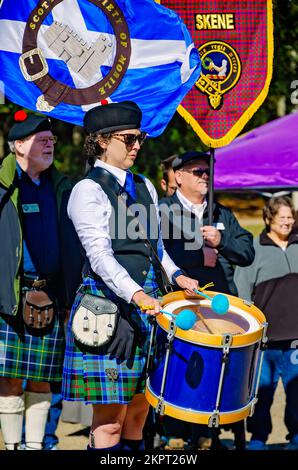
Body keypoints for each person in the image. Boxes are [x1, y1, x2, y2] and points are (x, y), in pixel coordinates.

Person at [61, 101, 199, 451]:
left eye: (141, 138)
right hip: (108, 308)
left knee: (139, 412)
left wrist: (178, 275)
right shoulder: (87, 190)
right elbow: (101, 257)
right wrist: (136, 295)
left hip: (149, 304)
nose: (138, 145)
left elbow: (157, 247)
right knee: (109, 422)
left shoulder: (145, 186)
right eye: (130, 138)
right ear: (103, 141)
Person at [159, 151, 255, 449]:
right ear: (178, 176)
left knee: (217, 375)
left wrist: (221, 241)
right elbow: (156, 253)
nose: (204, 176)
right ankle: (172, 433)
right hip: (179, 307)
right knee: (179, 370)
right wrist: (199, 254)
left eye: (206, 171)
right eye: (196, 171)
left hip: (218, 309)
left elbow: (247, 252)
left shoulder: (220, 213)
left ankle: (209, 435)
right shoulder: (161, 211)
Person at [0, 112, 82, 450]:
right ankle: (13, 446)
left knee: (44, 380)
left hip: (50, 294)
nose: (50, 144)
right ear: (19, 145)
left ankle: (34, 446)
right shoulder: (4, 186)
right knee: (8, 381)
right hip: (12, 294)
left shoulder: (59, 187)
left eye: (52, 140)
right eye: (40, 140)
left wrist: (66, 296)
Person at [234, 196, 298, 450]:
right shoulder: (254, 250)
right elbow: (243, 294)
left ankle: (295, 437)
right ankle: (258, 438)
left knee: (296, 393)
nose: (287, 222)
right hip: (264, 341)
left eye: (290, 217)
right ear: (269, 218)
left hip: (295, 338)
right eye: (282, 217)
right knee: (261, 392)